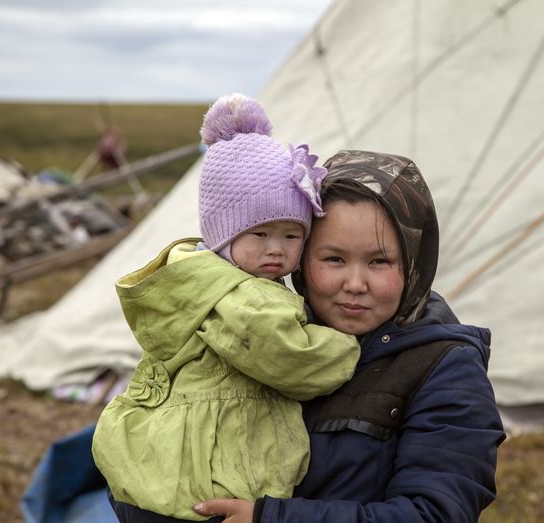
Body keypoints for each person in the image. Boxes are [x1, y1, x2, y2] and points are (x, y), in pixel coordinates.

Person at [193, 149, 506, 522]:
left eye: (379, 261)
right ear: (303, 262)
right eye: (334, 259)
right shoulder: (275, 341)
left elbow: (434, 514)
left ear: (413, 264)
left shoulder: (445, 370)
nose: (355, 284)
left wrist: (271, 519)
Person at [92, 94, 361, 522]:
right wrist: (350, 345)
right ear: (224, 234)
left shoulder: (198, 276)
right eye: (260, 235)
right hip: (200, 482)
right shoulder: (242, 297)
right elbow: (294, 358)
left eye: (291, 236)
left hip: (158, 473)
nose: (276, 250)